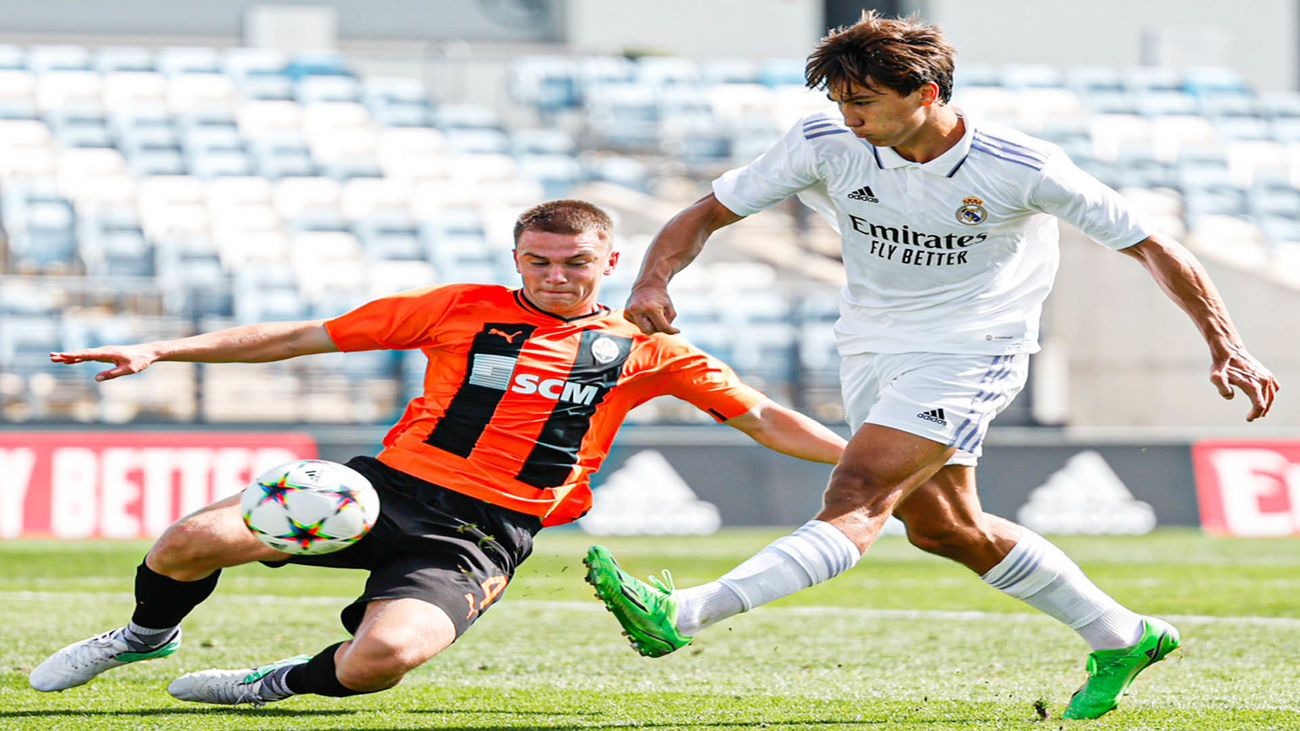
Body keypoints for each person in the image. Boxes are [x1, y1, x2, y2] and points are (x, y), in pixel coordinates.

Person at [583, 12, 1280, 721]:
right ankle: (1123, 635)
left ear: (926, 93)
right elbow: (707, 213)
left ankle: (685, 613)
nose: (848, 116)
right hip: (871, 342)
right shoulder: (825, 143)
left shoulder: (1021, 165)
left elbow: (1152, 245)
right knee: (944, 527)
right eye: (840, 101)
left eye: (863, 101)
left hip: (974, 347)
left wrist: (1226, 343)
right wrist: (653, 279)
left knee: (858, 492)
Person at [30, 199, 846, 707]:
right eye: (538, 261)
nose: (556, 276)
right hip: (378, 491)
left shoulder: (649, 348)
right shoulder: (458, 307)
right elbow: (302, 336)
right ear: (517, 258)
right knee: (188, 540)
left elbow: (765, 418)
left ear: (609, 262)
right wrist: (163, 348)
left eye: (575, 263)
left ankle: (275, 681)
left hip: (484, 533)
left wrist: (871, 467)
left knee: (381, 659)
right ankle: (144, 634)